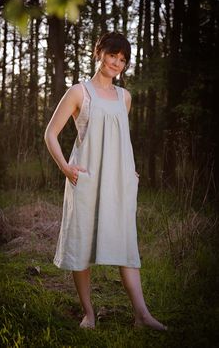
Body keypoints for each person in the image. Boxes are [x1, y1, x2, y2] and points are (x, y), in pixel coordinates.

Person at [44, 32, 167, 331]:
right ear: (99, 53)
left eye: (122, 60)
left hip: (119, 181)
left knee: (127, 243)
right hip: (84, 178)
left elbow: (121, 139)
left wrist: (131, 170)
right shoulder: (78, 92)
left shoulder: (125, 97)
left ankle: (142, 315)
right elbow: (50, 134)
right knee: (82, 245)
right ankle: (88, 313)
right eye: (113, 55)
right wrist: (66, 167)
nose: (116, 63)